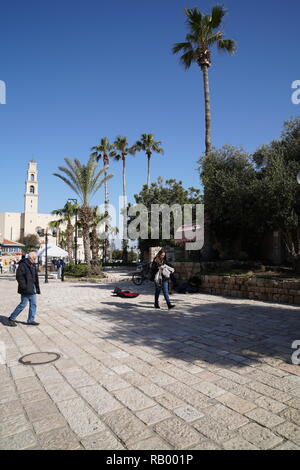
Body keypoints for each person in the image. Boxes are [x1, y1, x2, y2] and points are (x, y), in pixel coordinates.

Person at [8, 251, 41, 327]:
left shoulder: (32, 264)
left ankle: (30, 320)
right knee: (23, 304)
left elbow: (34, 276)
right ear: (30, 258)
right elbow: (19, 277)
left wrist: (36, 286)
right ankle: (12, 318)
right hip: (26, 289)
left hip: (32, 288)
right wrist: (24, 286)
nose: (35, 260)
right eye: (34, 258)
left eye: (35, 258)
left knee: (33, 304)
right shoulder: (23, 265)